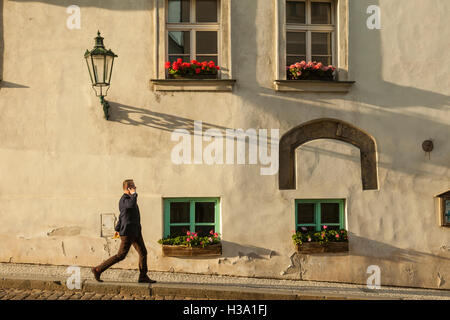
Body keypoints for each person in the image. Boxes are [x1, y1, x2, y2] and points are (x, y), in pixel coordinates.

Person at [92, 179, 156, 283]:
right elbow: (129, 206)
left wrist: (117, 228)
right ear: (129, 188)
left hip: (135, 232)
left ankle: (143, 276)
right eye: (134, 187)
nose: (135, 188)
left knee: (143, 252)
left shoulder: (129, 199)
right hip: (128, 233)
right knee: (121, 255)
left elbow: (123, 215)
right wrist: (134, 194)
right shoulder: (126, 199)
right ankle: (98, 269)